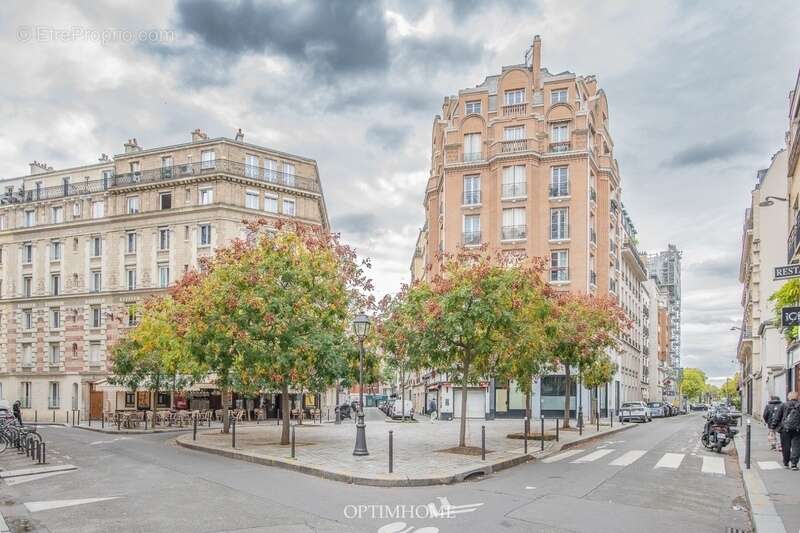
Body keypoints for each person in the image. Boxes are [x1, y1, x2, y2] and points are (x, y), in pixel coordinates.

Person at [773, 391, 800, 470]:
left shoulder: (783, 405)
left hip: (785, 429)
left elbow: (777, 417)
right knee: (796, 447)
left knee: (785, 447)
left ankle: (786, 463)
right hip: (797, 429)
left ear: (789, 397)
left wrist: (773, 427)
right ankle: (794, 464)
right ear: (797, 397)